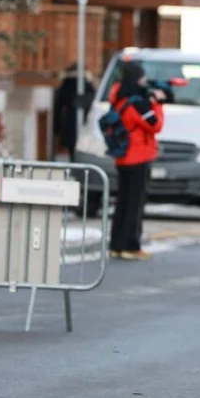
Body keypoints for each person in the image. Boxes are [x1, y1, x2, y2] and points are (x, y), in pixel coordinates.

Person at [107, 61, 165, 260]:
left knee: (123, 202)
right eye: (141, 77)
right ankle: (131, 245)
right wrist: (157, 104)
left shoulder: (118, 98)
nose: (144, 81)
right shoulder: (137, 102)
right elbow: (155, 125)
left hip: (123, 157)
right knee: (135, 204)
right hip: (138, 156)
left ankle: (116, 244)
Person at [52, 63, 96, 161]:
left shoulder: (66, 85)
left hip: (70, 120)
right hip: (83, 120)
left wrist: (57, 127)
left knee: (73, 148)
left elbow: (58, 106)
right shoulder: (87, 85)